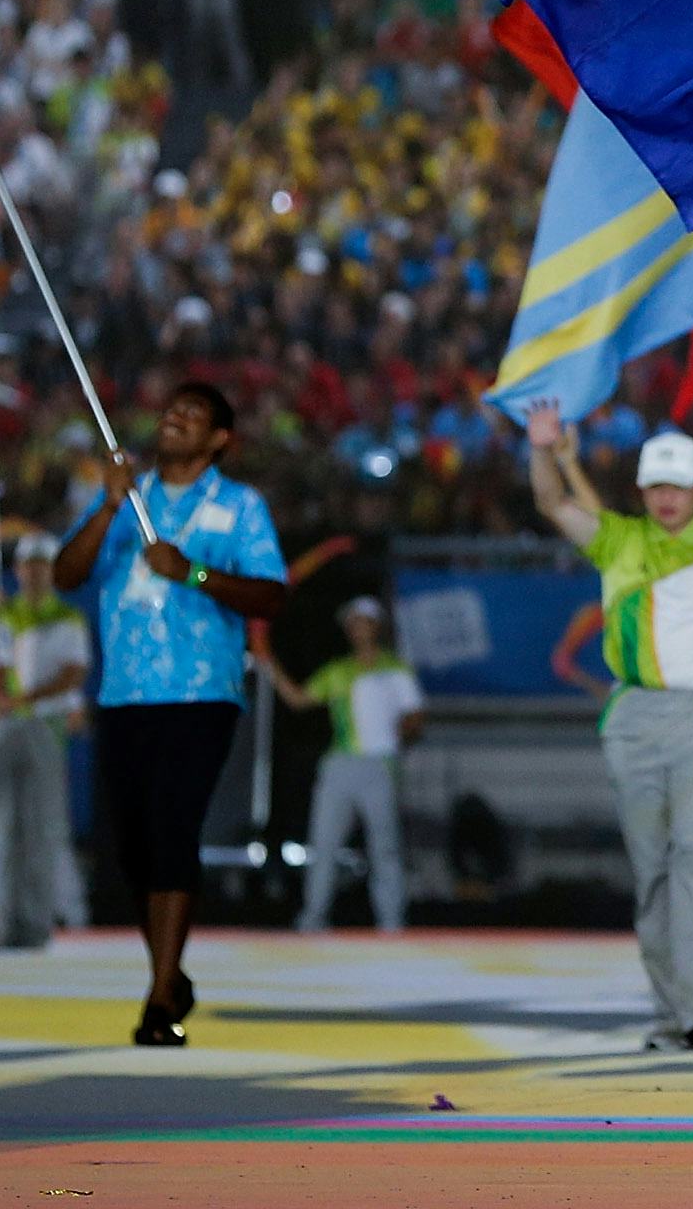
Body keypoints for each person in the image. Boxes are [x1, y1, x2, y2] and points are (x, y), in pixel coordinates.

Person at [522, 402, 693, 1051]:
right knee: (652, 869)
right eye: (657, 487)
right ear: (643, 491)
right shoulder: (620, 540)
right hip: (633, 716)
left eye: (679, 486)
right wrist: (542, 450)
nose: (668, 498)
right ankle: (673, 1012)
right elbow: (553, 503)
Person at [51, 383, 286, 1045]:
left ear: (219, 440)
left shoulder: (239, 507)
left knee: (173, 828)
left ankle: (159, 1000)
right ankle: (169, 973)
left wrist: (197, 576)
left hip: (201, 691)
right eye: (171, 410)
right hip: (123, 694)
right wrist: (105, 505)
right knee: (128, 848)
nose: (174, 418)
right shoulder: (128, 497)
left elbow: (272, 595)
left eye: (193, 415)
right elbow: (68, 575)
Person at [264, 596, 425, 934]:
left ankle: (392, 924)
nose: (357, 628)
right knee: (323, 845)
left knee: (385, 848)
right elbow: (297, 699)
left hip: (378, 767)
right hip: (339, 765)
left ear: (376, 626)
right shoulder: (338, 672)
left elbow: (415, 718)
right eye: (352, 622)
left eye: (363, 621)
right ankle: (313, 920)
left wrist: (406, 730)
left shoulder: (395, 669)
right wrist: (269, 664)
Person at [0, 533, 90, 950]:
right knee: (4, 830)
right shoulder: (3, 614)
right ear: (17, 570)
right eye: (29, 564)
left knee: (43, 830)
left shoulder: (66, 617)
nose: (36, 572)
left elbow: (72, 674)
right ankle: (4, 925)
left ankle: (37, 923)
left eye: (43, 564)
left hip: (44, 728)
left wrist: (21, 700)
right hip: (3, 729)